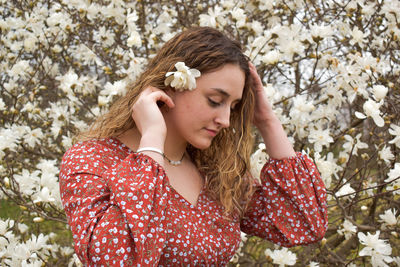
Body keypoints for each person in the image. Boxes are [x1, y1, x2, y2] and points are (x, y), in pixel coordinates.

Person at [59, 27, 328, 266]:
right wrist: (152, 138)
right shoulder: (94, 160)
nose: (225, 120)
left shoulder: (215, 174)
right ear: (172, 84)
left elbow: (305, 224)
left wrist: (266, 120)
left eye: (233, 107)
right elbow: (116, 259)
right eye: (214, 100)